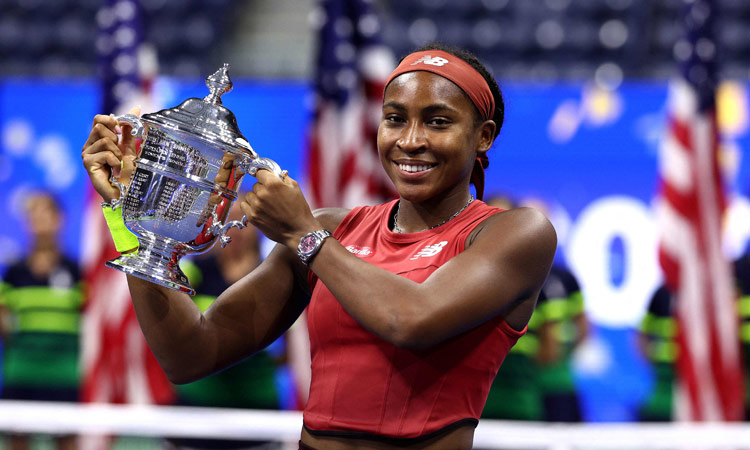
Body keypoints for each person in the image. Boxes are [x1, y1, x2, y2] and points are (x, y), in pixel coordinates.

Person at [81, 43, 557, 448]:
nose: (410, 141)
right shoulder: (333, 230)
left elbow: (411, 320)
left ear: (483, 137)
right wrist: (133, 219)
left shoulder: (515, 233)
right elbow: (191, 354)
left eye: (437, 122)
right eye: (395, 119)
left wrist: (302, 235)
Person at [168, 209, 286, 450]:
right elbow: (172, 339)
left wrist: (247, 361)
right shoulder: (192, 273)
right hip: (196, 417)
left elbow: (296, 349)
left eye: (246, 221)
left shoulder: (279, 275)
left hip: (258, 418)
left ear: (260, 227)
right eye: (230, 219)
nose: (237, 227)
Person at [0, 192, 84, 450]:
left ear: (60, 219)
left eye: (45, 213)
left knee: (67, 443)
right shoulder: (13, 272)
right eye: (32, 215)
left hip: (64, 378)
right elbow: (4, 326)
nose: (38, 220)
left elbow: (89, 324)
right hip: (21, 376)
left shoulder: (77, 271)